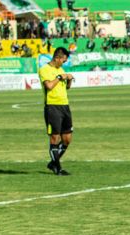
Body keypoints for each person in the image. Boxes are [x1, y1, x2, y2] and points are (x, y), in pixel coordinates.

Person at [38, 47, 75, 176]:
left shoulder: (61, 69)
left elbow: (67, 88)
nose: (64, 63)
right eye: (63, 60)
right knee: (55, 137)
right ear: (57, 58)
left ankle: (53, 162)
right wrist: (59, 77)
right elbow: (48, 86)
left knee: (67, 139)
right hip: (52, 106)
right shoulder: (44, 69)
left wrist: (69, 79)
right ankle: (57, 168)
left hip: (65, 105)